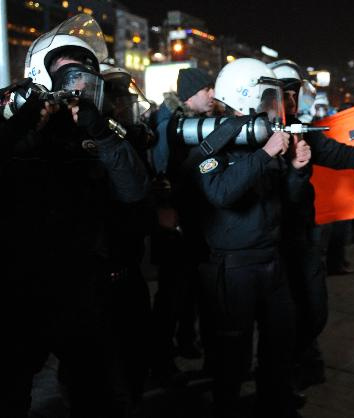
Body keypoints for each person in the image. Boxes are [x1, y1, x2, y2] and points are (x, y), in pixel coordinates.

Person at [0, 14, 150, 418]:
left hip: (83, 288)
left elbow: (134, 190)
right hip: (17, 290)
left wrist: (102, 134)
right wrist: (17, 128)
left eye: (84, 77)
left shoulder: (98, 131)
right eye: (66, 77)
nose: (77, 87)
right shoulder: (5, 127)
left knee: (100, 395)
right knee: (0, 393)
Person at [267, 59, 354, 389]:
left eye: (294, 93)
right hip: (270, 240)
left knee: (314, 308)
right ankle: (284, 374)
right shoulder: (256, 133)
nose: (290, 101)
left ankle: (304, 357)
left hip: (303, 234)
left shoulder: (302, 129)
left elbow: (343, 155)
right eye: (283, 93)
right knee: (280, 315)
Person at [193, 58, 310, 418]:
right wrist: (264, 155)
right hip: (235, 266)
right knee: (232, 351)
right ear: (244, 97)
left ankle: (274, 402)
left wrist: (296, 171)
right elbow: (222, 193)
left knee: (280, 340)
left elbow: (285, 202)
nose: (270, 107)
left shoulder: (265, 139)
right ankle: (226, 406)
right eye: (264, 98)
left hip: (270, 259)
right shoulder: (213, 140)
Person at [147, 67, 215, 380]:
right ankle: (161, 357)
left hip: (192, 220)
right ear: (190, 94)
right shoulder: (168, 123)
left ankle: (185, 341)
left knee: (190, 291)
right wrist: (167, 210)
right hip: (174, 224)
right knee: (173, 294)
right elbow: (162, 173)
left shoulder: (190, 121)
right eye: (206, 90)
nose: (212, 95)